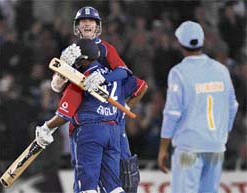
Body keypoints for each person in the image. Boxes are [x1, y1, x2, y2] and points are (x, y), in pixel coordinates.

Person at [51, 6, 147, 192]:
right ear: (77, 27)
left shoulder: (106, 48)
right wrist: (63, 71)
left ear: (97, 27)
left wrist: (105, 79)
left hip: (110, 121)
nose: (87, 24)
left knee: (125, 170)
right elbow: (56, 87)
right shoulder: (70, 51)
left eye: (91, 21)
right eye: (83, 21)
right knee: (107, 182)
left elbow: (124, 72)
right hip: (86, 120)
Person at [158, 21, 239, 193]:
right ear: (202, 41)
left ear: (180, 44)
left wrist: (163, 148)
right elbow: (233, 106)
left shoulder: (178, 72)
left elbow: (172, 113)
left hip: (189, 147)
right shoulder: (221, 70)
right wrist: (222, 133)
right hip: (215, 145)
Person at [36, 39, 126, 193]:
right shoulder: (111, 75)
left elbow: (65, 114)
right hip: (114, 132)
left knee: (87, 188)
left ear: (83, 59)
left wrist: (46, 127)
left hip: (90, 133)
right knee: (114, 188)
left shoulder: (82, 79)